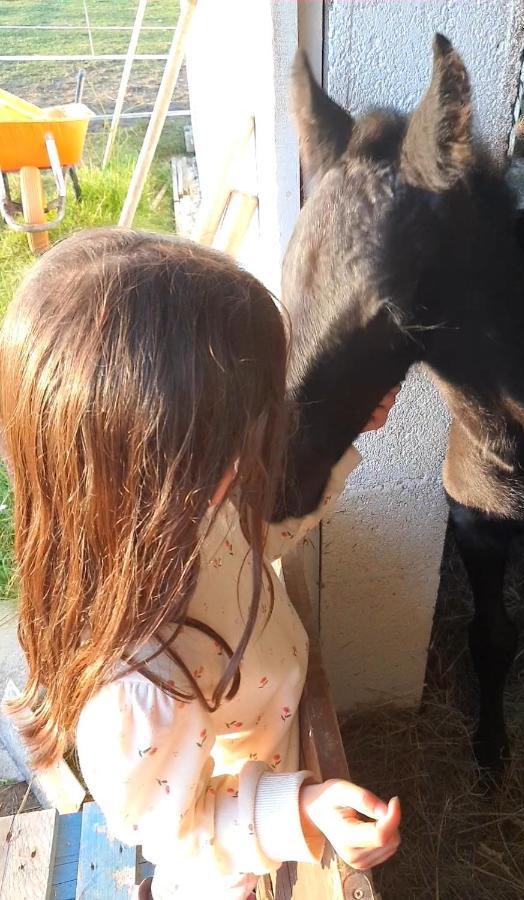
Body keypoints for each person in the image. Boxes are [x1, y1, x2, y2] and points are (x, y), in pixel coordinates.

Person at [0, 229, 401, 899]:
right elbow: (177, 831)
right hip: (229, 874)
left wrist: (341, 434)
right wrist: (296, 810)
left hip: (269, 765)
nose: (254, 453)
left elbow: (253, 544)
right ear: (163, 469)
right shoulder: (137, 688)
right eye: (242, 434)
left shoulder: (177, 521)